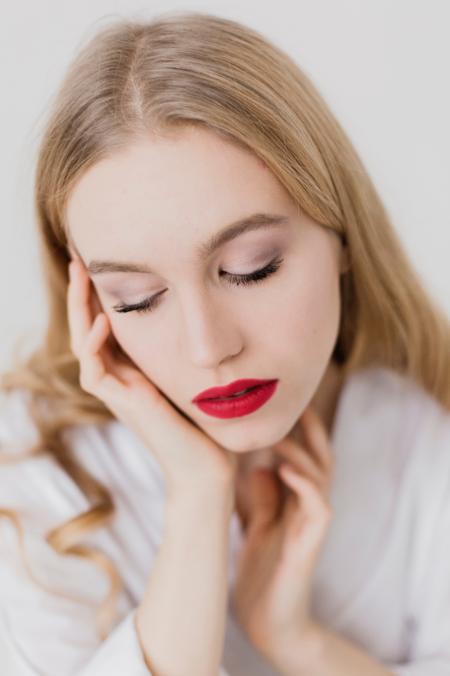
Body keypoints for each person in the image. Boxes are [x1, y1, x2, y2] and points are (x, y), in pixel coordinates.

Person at [1, 10, 449, 676]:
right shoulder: (29, 475)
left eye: (252, 268)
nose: (208, 347)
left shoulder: (424, 440)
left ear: (342, 235)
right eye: (137, 299)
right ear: (91, 300)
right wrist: (197, 499)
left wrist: (298, 641)